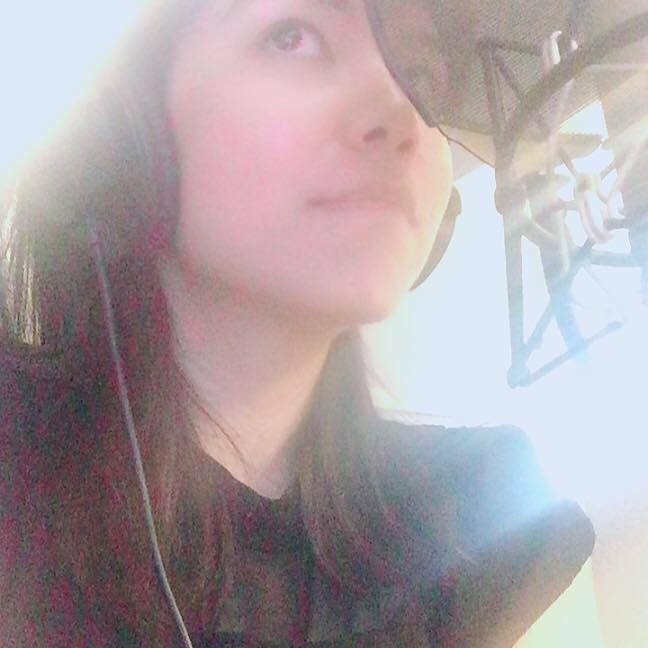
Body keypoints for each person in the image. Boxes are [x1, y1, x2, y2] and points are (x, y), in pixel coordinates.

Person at [0, 1, 594, 645]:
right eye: (291, 37)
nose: (400, 114)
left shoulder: (480, 521)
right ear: (123, 137)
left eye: (419, 76)